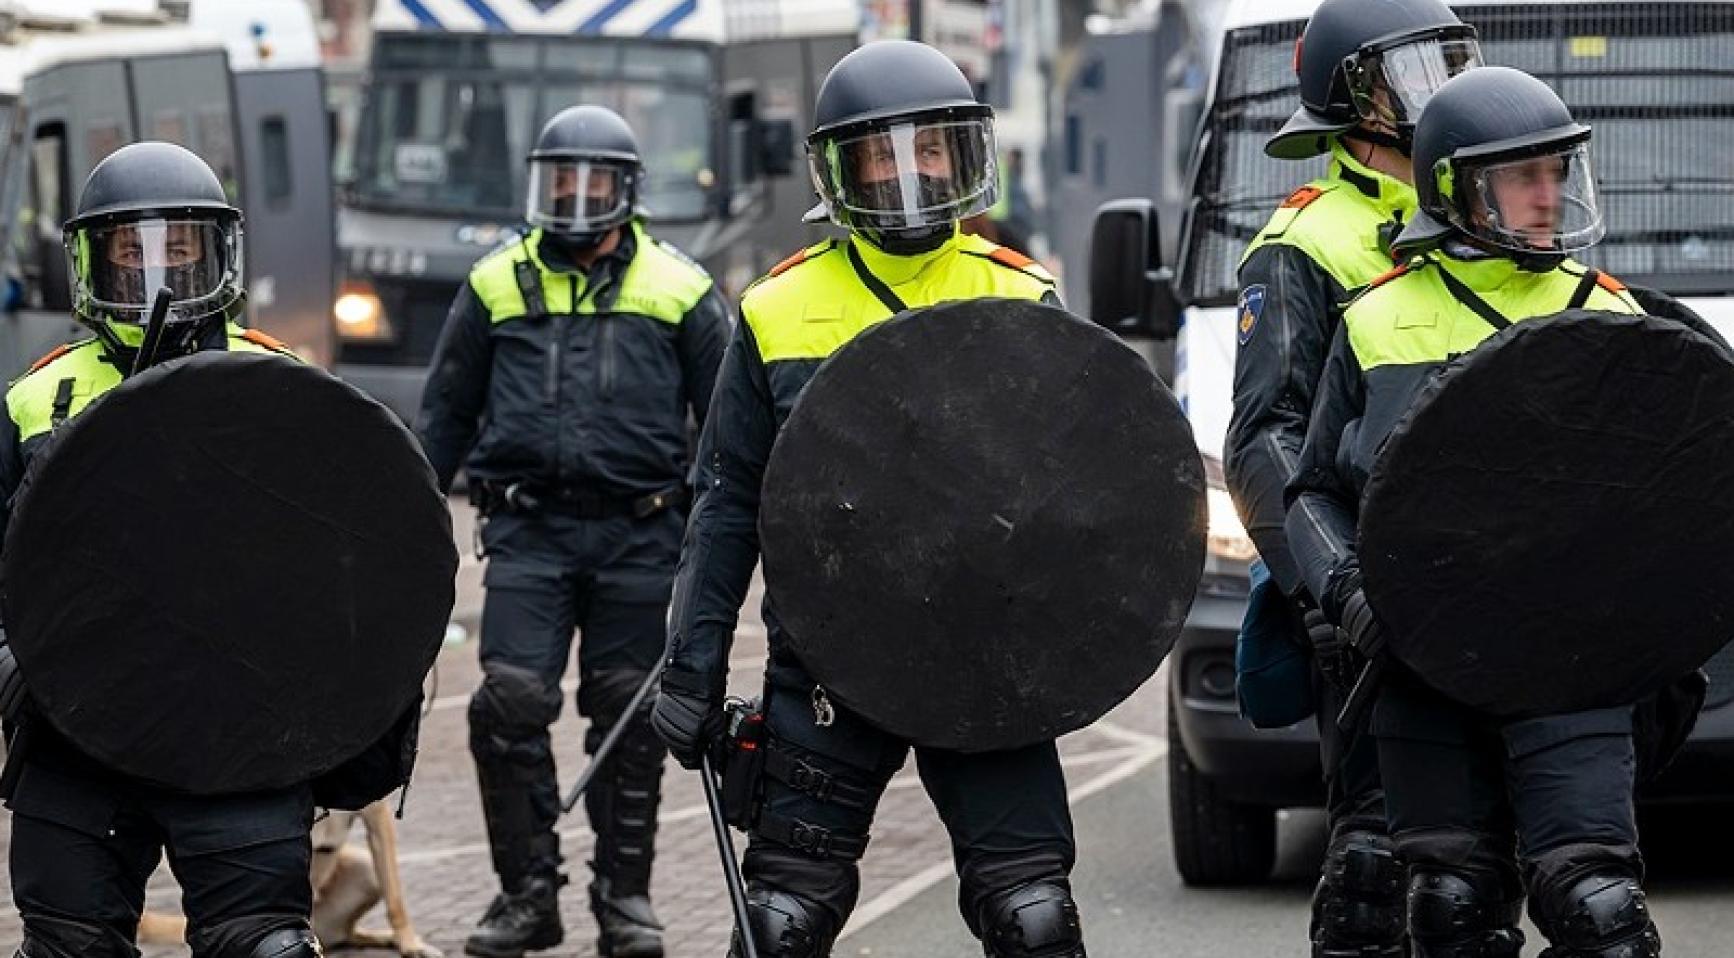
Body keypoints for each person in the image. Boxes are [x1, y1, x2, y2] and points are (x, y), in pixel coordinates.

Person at [650, 39, 1082, 958]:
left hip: (986, 661)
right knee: (782, 923)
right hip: (830, 663)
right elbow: (727, 502)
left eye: (928, 148)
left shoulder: (1021, 294)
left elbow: (1079, 496)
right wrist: (692, 666)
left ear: (962, 156)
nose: (907, 172)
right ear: (840, 171)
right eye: (880, 153)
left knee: (1034, 915)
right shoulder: (775, 310)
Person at [1285, 66, 1661, 958]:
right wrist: (1351, 596)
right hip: (1426, 663)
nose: (1548, 194)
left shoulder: (1609, 313)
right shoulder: (1376, 321)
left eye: (1557, 170)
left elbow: (1669, 497)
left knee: (1600, 909)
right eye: (1521, 174)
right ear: (1455, 186)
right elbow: (1311, 496)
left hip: (1571, 662)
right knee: (1446, 908)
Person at [416, 103, 729, 958]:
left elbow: (733, 426)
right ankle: (527, 895)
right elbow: (443, 415)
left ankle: (624, 900)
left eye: (594, 180)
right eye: (561, 179)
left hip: (642, 535)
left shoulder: (681, 289)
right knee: (508, 706)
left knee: (627, 719)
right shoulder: (492, 283)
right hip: (528, 534)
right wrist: (400, 526)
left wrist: (719, 528)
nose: (577, 197)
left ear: (627, 191)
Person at [0, 141, 322, 958]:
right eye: (128, 254)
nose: (154, 277)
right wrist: (12, 669)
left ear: (218, 254)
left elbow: (355, 562)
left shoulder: (282, 388)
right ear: (88, 263)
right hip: (77, 732)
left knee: (264, 946)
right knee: (68, 946)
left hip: (237, 733)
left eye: (177, 251)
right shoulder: (39, 398)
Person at [1223, 1, 1480, 953]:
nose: (1447, 89)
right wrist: (1334, 590)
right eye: (1417, 71)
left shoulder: (1490, 208)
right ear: (1351, 99)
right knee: (1381, 872)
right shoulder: (1306, 242)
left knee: (1487, 877)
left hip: (1493, 586)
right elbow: (1263, 441)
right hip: (1373, 609)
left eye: (1454, 63)